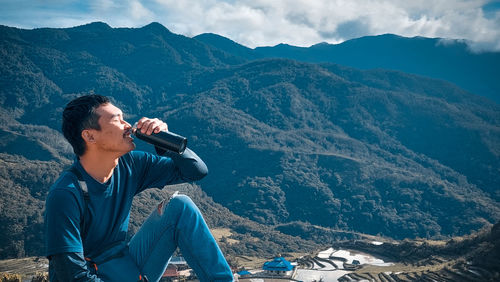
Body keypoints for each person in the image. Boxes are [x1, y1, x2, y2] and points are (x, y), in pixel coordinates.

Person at [44, 94, 233, 281]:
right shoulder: (66, 194)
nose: (128, 126)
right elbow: (74, 276)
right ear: (90, 136)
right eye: (118, 121)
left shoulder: (130, 165)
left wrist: (165, 142)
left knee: (180, 206)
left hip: (125, 267)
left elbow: (196, 171)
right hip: (91, 276)